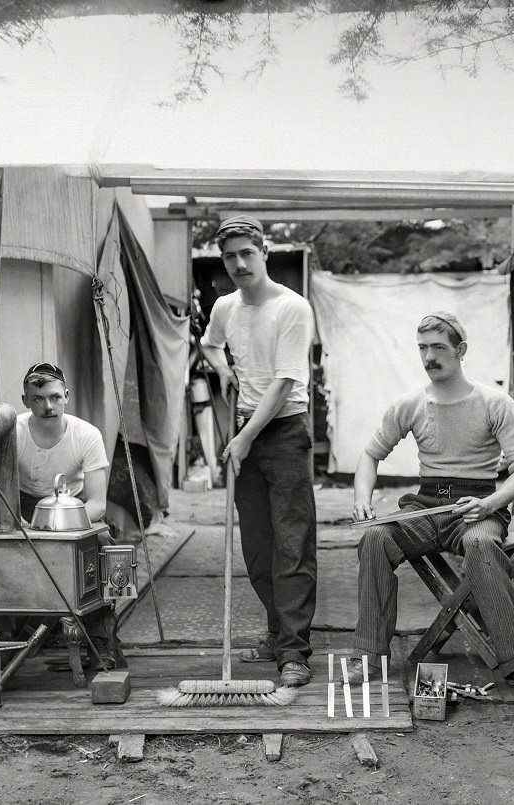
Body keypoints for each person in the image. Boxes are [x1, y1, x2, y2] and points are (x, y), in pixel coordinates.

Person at [348, 311, 514, 693]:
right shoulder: (410, 404)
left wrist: (490, 505)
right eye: (422, 348)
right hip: (425, 506)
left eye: (438, 347)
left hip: (477, 509)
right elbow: (370, 455)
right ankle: (369, 657)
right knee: (375, 538)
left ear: (461, 350)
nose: (428, 357)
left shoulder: (495, 403)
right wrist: (362, 499)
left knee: (481, 544)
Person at [200, 215, 317, 688]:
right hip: (244, 428)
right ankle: (278, 630)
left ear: (264, 251)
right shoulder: (226, 307)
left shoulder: (292, 308)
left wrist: (245, 438)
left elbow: (284, 381)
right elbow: (209, 346)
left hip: (286, 431)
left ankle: (294, 652)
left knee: (292, 544)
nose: (239, 263)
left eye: (247, 253)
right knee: (257, 547)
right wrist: (224, 372)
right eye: (230, 256)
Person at [17, 362, 110, 526]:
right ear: (25, 401)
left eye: (55, 397)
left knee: (101, 542)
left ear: (66, 396)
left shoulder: (87, 434)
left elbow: (97, 504)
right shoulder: (13, 432)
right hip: (22, 511)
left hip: (74, 508)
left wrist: (54, 525)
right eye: (38, 399)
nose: (48, 407)